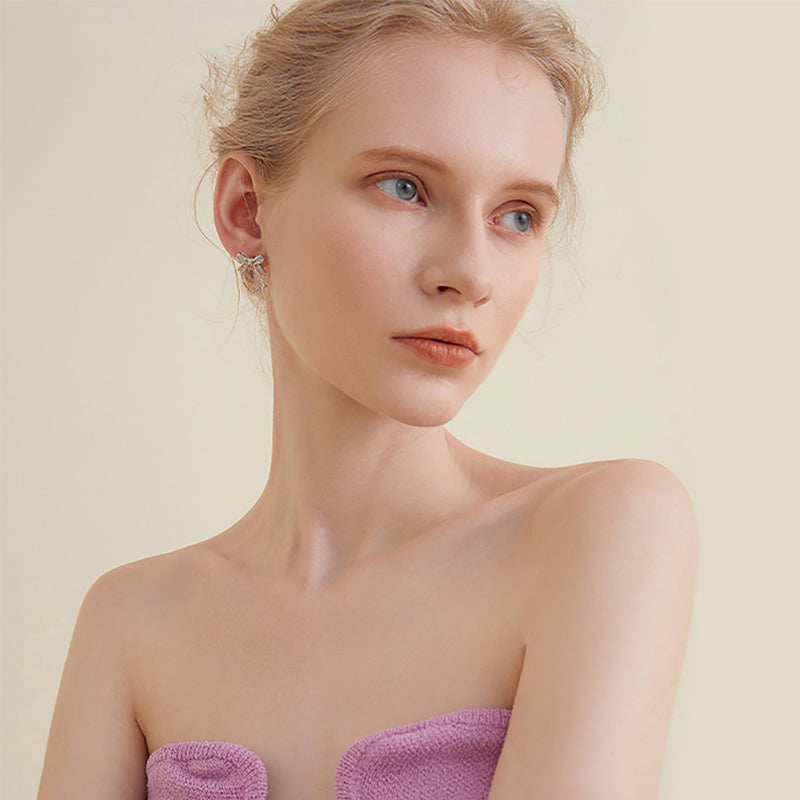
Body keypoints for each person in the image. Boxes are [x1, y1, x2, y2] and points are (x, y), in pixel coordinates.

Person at [36, 1, 699, 798]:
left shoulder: (600, 530)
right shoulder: (132, 622)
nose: (470, 273)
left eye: (517, 216)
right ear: (247, 208)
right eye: (405, 187)